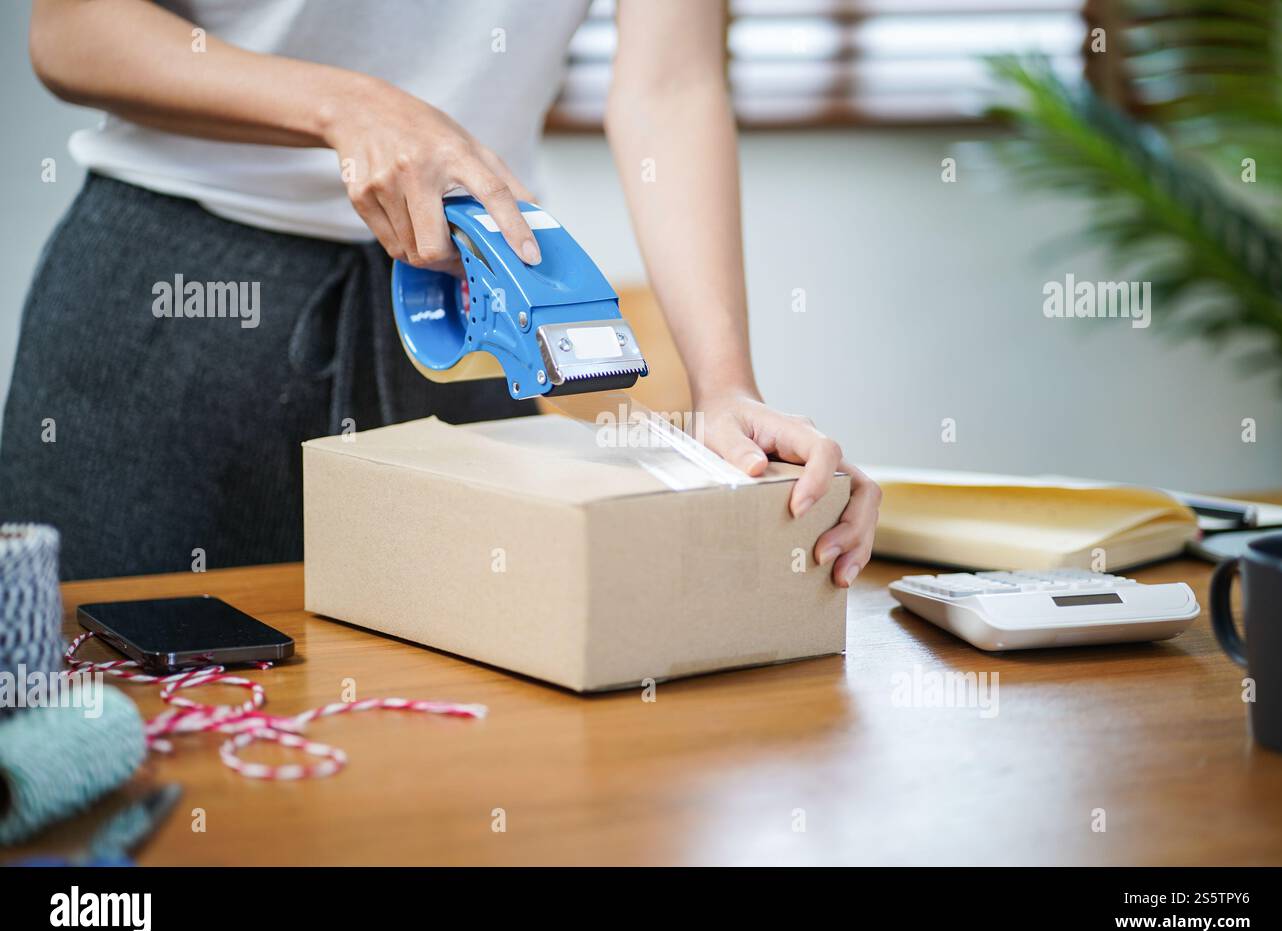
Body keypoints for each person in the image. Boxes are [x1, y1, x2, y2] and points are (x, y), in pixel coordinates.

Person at [0, 0, 880, 583]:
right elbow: (72, 28)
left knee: (464, 756)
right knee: (115, 713)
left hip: (470, 307)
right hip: (171, 306)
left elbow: (670, 84)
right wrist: (349, 106)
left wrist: (724, 387)